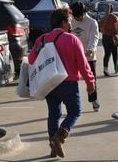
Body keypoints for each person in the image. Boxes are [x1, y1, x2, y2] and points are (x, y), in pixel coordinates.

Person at [28, 8, 95, 158]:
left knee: (54, 114)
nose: (71, 24)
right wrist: (90, 83)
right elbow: (83, 65)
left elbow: (32, 60)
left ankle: (53, 146)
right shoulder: (72, 39)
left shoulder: (42, 39)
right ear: (63, 22)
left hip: (49, 82)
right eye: (69, 21)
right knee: (74, 112)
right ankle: (60, 136)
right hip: (68, 82)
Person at [70, 2, 100, 112]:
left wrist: (90, 49)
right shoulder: (70, 22)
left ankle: (93, 99)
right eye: (76, 16)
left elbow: (94, 37)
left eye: (80, 15)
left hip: (88, 56)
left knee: (91, 79)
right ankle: (71, 103)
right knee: (71, 80)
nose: (79, 18)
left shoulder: (92, 22)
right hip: (73, 56)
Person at [99, 3, 118, 77]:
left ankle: (105, 69)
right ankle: (116, 69)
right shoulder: (114, 17)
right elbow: (117, 29)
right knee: (115, 54)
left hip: (105, 38)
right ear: (112, 9)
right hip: (113, 37)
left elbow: (101, 30)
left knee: (107, 54)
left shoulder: (103, 18)